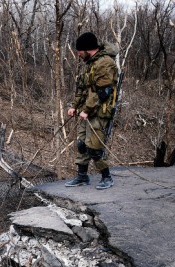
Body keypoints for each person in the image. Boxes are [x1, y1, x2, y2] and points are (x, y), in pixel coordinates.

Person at [66, 32, 119, 190]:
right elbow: (83, 88)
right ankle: (82, 177)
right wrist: (75, 106)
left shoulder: (105, 63)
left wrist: (87, 110)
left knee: (94, 148)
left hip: (100, 113)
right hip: (87, 112)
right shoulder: (91, 63)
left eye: (79, 51)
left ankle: (106, 177)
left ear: (88, 49)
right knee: (82, 144)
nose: (78, 54)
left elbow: (103, 92)